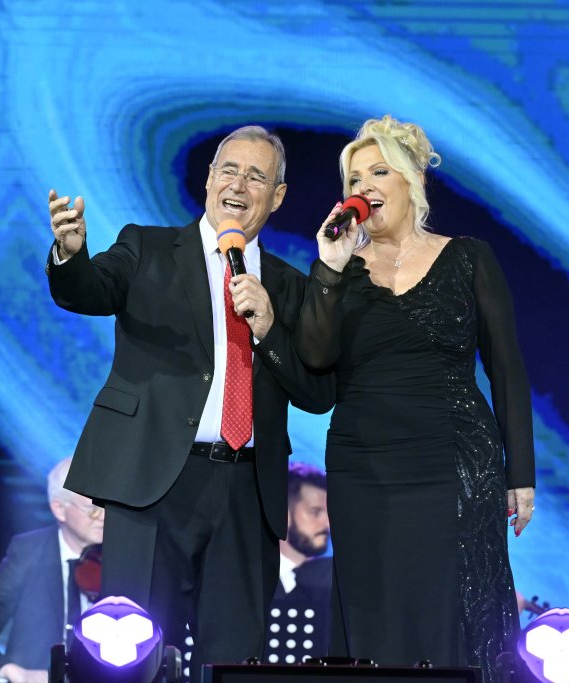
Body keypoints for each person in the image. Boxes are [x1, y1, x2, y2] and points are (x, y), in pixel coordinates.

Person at [46, 125, 334, 681]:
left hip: (248, 491)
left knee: (233, 660)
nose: (238, 185)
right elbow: (88, 290)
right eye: (229, 170)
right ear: (208, 179)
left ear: (277, 196)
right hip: (152, 482)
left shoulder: (288, 286)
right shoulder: (147, 247)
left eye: (256, 177)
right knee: (131, 656)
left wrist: (269, 329)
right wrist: (71, 254)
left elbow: (318, 393)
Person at [294, 115, 535, 681]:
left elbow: (506, 367)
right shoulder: (339, 270)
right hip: (364, 466)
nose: (364, 187)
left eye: (378, 172)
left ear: (413, 181)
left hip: (454, 460)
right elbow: (315, 356)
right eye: (354, 179)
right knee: (375, 612)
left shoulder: (469, 258)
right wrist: (329, 269)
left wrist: (520, 473)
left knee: (452, 612)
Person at [0, 457, 104, 683]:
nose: (104, 516)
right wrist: (10, 671)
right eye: (92, 509)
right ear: (59, 509)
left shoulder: (126, 556)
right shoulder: (28, 552)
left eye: (108, 505)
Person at [275, 461, 331, 602]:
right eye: (315, 512)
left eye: (330, 514)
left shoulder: (335, 581)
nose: (328, 524)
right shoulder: (251, 579)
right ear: (284, 515)